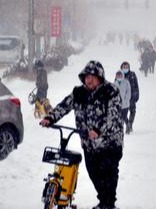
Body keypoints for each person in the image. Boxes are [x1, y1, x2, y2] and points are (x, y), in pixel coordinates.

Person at [39, 60, 123, 209]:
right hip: (89, 144)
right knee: (94, 174)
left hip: (110, 143)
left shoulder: (111, 91)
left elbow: (113, 116)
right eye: (86, 77)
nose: (88, 80)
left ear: (100, 77)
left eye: (92, 76)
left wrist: (98, 130)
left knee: (108, 175)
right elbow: (64, 106)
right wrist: (50, 118)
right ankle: (104, 201)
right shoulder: (78, 93)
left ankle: (108, 204)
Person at [120, 61, 139, 134]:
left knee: (133, 111)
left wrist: (136, 95)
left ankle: (130, 124)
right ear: (122, 67)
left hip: (132, 97)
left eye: (127, 67)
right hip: (123, 98)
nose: (125, 68)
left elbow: (136, 86)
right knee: (123, 113)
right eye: (124, 67)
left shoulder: (132, 74)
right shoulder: (119, 75)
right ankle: (127, 124)